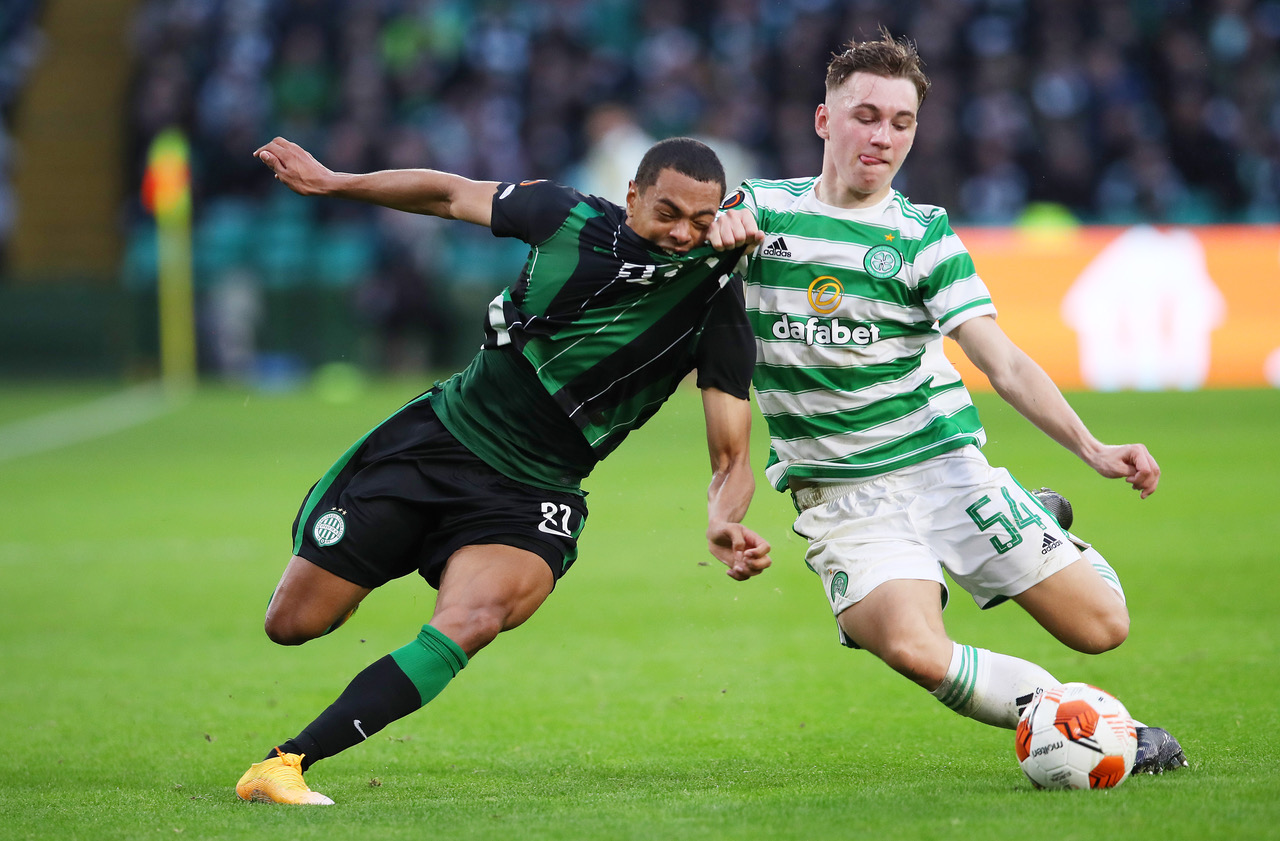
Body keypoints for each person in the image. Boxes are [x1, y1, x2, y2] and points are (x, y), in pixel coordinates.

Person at [236, 135, 772, 805]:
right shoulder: (565, 216)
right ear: (631, 195)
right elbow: (448, 192)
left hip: (531, 495)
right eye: (667, 213)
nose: (683, 234)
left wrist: (725, 520)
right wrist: (335, 182)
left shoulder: (716, 305)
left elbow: (732, 456)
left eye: (700, 220)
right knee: (291, 623)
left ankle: (287, 760)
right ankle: (385, 553)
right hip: (438, 443)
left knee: (475, 616)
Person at [708, 31, 1187, 775]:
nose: (883, 136)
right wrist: (717, 229)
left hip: (943, 469)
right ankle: (1087, 722)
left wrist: (1093, 447)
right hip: (842, 497)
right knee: (912, 646)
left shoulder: (923, 236)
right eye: (865, 115)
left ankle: (1033, 510)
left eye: (901, 122)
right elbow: (684, 247)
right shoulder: (760, 211)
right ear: (823, 121)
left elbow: (1003, 362)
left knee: (1104, 627)